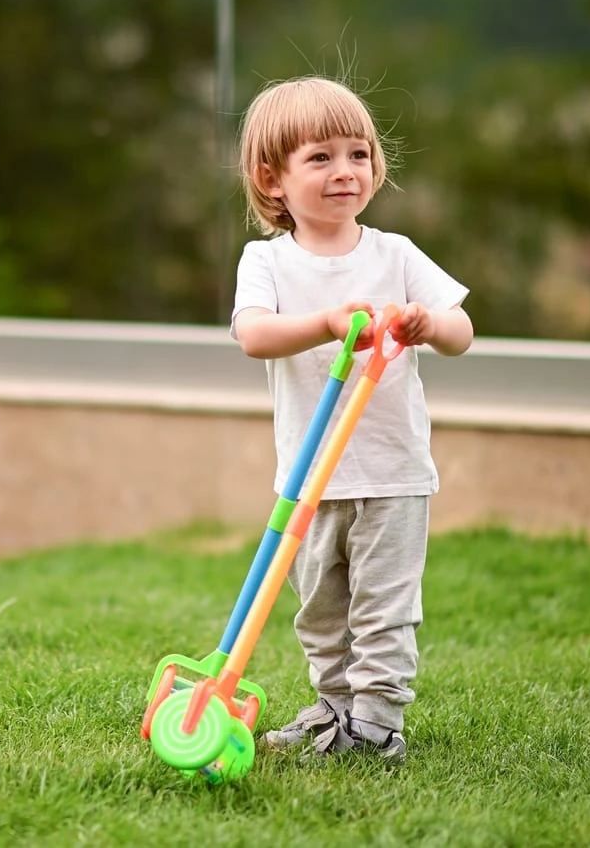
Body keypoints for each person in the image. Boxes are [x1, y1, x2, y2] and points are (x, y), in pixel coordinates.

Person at [230, 76, 474, 761]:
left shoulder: (394, 254)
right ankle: (333, 709)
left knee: (383, 606)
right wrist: (328, 324)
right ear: (271, 178)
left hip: (392, 472)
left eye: (359, 154)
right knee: (321, 609)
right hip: (309, 478)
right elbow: (253, 335)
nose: (347, 171)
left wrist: (430, 323)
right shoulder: (266, 262)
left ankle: (376, 723)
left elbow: (463, 331)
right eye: (322, 158)